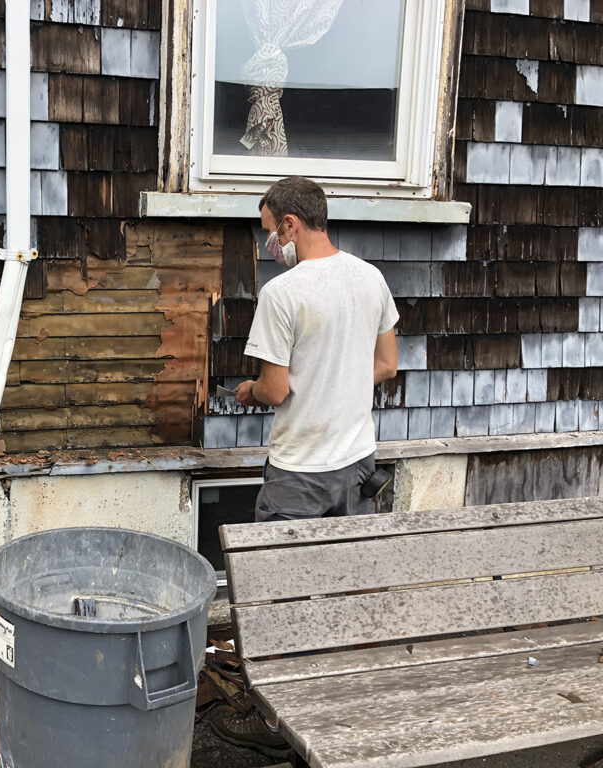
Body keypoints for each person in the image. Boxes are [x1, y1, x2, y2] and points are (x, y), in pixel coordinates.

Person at [210, 176, 399, 756]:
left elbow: (275, 388)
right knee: (344, 591)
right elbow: (387, 365)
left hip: (299, 473)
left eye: (269, 230)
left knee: (279, 598)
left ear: (290, 224)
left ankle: (275, 727)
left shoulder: (284, 293)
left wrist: (246, 392)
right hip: (358, 465)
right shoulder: (370, 278)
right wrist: (338, 379)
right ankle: (339, 714)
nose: (269, 243)